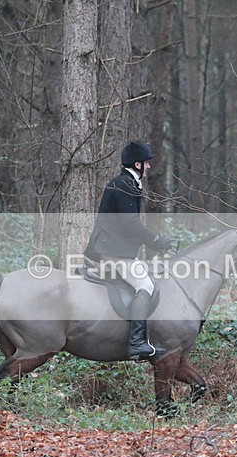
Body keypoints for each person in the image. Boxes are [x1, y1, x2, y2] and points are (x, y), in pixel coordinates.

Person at [84, 142, 174, 361]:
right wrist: (156, 240)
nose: (149, 167)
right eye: (147, 163)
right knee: (146, 284)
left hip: (113, 246)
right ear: (137, 164)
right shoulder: (125, 184)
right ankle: (137, 344)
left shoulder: (125, 183)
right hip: (112, 250)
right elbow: (130, 223)